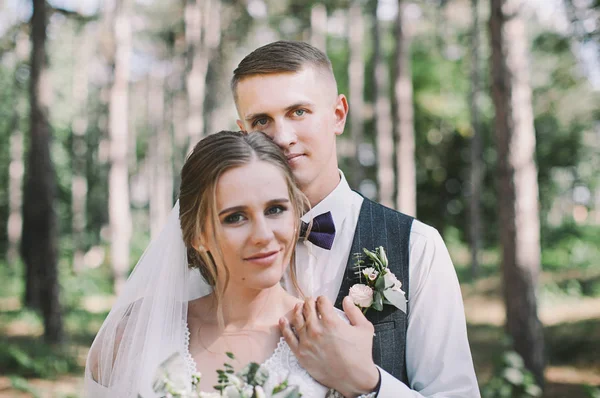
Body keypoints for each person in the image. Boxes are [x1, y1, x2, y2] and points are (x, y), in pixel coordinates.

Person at [231, 41, 481, 397]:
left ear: (338, 115)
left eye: (299, 112)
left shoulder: (417, 246)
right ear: (243, 133)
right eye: (261, 121)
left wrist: (369, 383)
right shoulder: (217, 250)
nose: (282, 137)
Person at [83, 131, 373, 397]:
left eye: (275, 210)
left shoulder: (334, 337)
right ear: (198, 235)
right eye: (235, 217)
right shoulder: (134, 335)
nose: (263, 235)